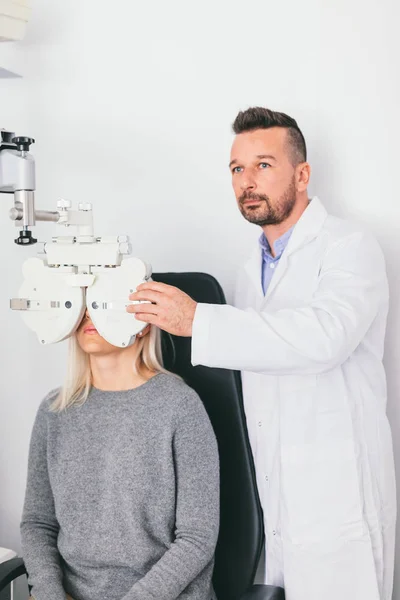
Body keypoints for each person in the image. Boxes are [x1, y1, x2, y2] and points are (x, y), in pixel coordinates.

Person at [127, 107, 397, 600]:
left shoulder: (350, 246)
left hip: (339, 505)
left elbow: (324, 338)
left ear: (302, 174)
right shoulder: (250, 269)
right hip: (275, 507)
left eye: (263, 165)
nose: (247, 181)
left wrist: (199, 321)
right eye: (237, 169)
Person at [21, 309, 219, 600]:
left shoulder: (179, 406)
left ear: (142, 325)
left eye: (102, 305)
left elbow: (197, 537)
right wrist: (50, 593)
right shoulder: (55, 410)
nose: (88, 315)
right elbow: (38, 522)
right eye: (82, 305)